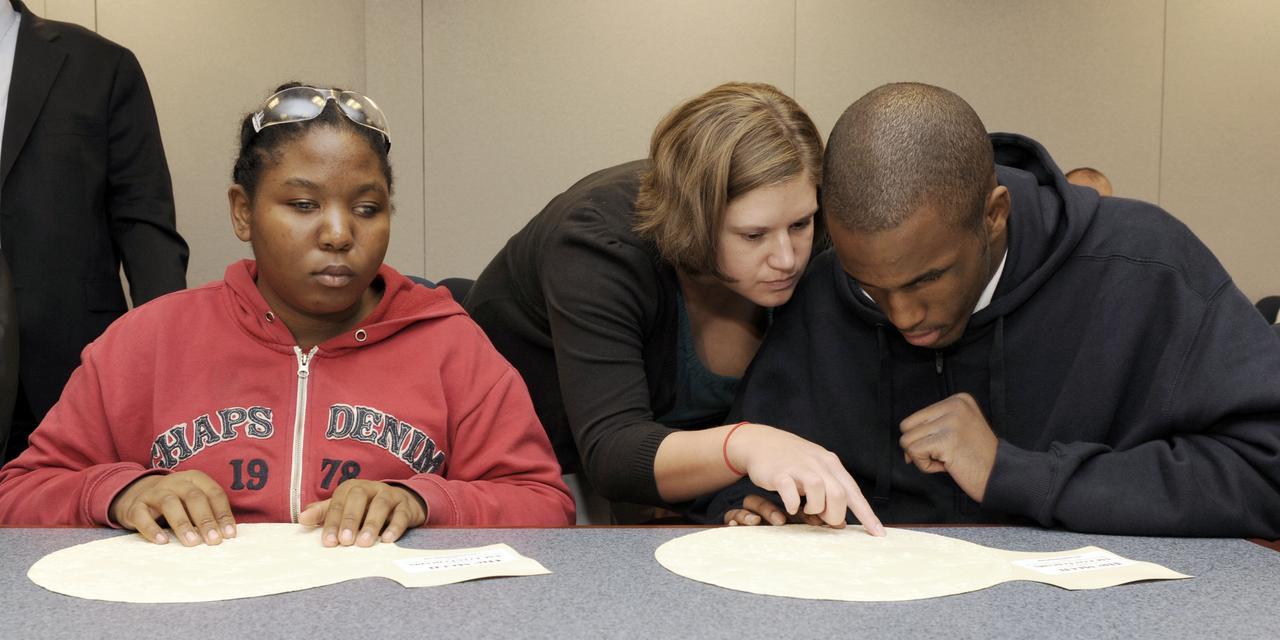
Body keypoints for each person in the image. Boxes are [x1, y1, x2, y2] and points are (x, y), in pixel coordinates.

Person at [0, 83, 574, 546]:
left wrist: (423, 501)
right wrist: (121, 492)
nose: (339, 233)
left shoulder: (453, 346)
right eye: (302, 205)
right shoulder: (146, 340)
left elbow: (544, 504)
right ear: (243, 212)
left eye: (367, 208)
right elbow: (19, 493)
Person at [703, 82, 1280, 538]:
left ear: (994, 214)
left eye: (928, 277)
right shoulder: (825, 287)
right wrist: (760, 511)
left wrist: (1012, 472)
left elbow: (1265, 475)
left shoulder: (1147, 270)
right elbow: (736, 468)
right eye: (870, 287)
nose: (902, 315)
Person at [465, 82, 882, 531]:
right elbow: (612, 453)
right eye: (753, 235)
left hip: (684, 480)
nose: (787, 258)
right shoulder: (596, 246)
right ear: (694, 220)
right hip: (543, 463)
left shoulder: (813, 233)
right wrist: (746, 446)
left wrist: (744, 493)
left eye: (800, 223)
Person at [0, 0, 189, 461]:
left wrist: (168, 362)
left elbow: (144, 222)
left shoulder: (100, 64)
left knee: (69, 524)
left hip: (63, 365)